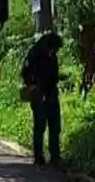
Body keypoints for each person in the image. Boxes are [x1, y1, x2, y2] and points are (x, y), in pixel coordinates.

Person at [21, 31, 63, 168]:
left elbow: (53, 73)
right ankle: (38, 156)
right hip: (39, 93)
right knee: (40, 126)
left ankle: (55, 156)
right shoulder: (34, 54)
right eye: (54, 49)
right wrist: (33, 85)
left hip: (51, 92)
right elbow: (25, 72)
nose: (54, 51)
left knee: (55, 126)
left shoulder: (52, 55)